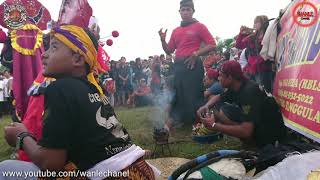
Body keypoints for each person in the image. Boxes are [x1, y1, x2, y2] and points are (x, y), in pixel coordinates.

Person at [0, 25, 158, 179]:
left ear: (77, 59)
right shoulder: (94, 90)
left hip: (114, 175)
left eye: (53, 48)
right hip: (140, 171)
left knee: (6, 168)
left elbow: (51, 163)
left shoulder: (59, 89)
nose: (44, 54)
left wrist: (21, 136)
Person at [197, 61, 286, 148]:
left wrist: (214, 125)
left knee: (237, 122)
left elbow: (246, 131)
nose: (218, 78)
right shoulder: (236, 85)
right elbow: (219, 97)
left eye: (221, 75)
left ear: (230, 78)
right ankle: (247, 137)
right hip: (260, 122)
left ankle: (254, 141)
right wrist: (206, 106)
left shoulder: (249, 92)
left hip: (270, 134)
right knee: (225, 110)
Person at [159, 0, 216, 128]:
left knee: (194, 93)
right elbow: (169, 50)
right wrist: (162, 40)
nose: (185, 12)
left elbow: (212, 44)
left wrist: (196, 54)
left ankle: (199, 122)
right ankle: (180, 119)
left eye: (187, 9)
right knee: (178, 92)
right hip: (178, 66)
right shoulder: (176, 30)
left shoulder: (200, 26)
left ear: (193, 11)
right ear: (179, 12)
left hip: (193, 65)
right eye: (182, 10)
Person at [235, 15, 273, 92]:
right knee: (255, 91)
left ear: (263, 23)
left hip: (264, 69)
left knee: (264, 91)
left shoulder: (269, 35)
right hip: (252, 70)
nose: (254, 24)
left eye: (257, 22)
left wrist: (255, 63)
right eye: (254, 22)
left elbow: (268, 52)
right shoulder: (253, 37)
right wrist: (241, 33)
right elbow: (239, 45)